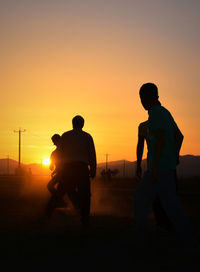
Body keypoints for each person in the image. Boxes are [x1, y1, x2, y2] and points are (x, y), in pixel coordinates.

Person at [134, 82, 197, 248]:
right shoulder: (166, 112)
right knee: (172, 205)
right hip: (167, 167)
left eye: (141, 98)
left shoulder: (154, 114)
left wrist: (153, 168)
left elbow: (160, 140)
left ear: (144, 98)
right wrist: (174, 156)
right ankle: (189, 240)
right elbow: (180, 136)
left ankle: (140, 240)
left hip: (158, 169)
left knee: (140, 200)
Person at [136, 118, 175, 232]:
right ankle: (167, 223)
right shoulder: (165, 122)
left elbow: (140, 146)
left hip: (154, 164)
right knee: (168, 193)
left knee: (154, 193)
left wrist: (138, 164)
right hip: (167, 163)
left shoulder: (143, 126)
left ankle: (161, 223)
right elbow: (178, 137)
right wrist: (175, 155)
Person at [60, 115, 97, 225]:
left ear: (72, 123)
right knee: (85, 194)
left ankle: (77, 207)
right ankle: (84, 218)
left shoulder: (65, 136)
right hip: (82, 168)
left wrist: (61, 169)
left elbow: (60, 155)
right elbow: (92, 155)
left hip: (68, 168)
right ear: (83, 124)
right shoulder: (87, 136)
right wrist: (93, 169)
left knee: (68, 189)